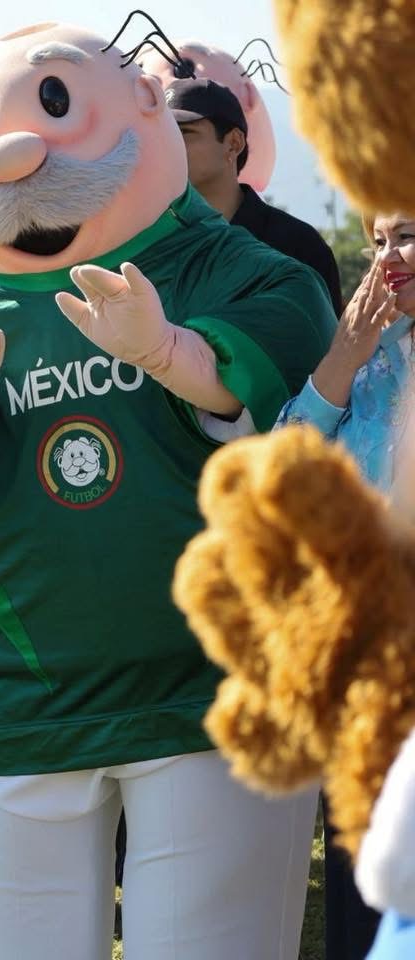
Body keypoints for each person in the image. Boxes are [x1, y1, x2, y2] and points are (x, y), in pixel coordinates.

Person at [0, 23, 334, 959]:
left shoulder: (240, 272)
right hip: (24, 708)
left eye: (56, 105)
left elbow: (284, 382)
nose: (18, 144)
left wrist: (171, 353)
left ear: (149, 109)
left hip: (212, 696)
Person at [277, 214, 414, 960]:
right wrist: (342, 356)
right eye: (381, 241)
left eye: (408, 236)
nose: (389, 258)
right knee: (364, 869)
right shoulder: (370, 353)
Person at [168, 78, 343, 310]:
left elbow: (330, 342)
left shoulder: (297, 245)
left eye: (184, 133)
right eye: (165, 132)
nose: (169, 144)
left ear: (233, 143)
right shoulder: (152, 239)